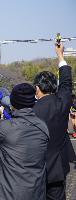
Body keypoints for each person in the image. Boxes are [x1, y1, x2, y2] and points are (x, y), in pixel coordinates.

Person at [0, 83, 49, 200]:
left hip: (10, 193)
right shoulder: (43, 126)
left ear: (13, 102)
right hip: (37, 191)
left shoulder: (6, 128)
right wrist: (13, 116)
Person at [33, 43, 76, 200]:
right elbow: (66, 83)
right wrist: (60, 55)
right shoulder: (62, 102)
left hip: (35, 169)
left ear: (37, 88)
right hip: (58, 167)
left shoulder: (31, 111)